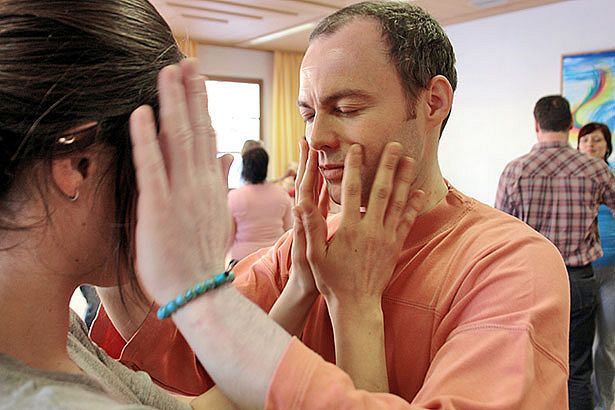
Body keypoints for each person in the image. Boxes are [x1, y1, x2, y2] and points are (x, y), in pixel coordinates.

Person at [93, 2, 571, 408]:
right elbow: (181, 357)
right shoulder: (305, 247)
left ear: (432, 103)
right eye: (308, 113)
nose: (317, 138)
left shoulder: (509, 266)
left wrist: (354, 305)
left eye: (346, 109)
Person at [495, 97, 615, 410]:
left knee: (530, 363)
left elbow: (500, 231)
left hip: (531, 279)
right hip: (578, 279)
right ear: (569, 125)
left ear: (537, 125)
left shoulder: (515, 170)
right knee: (577, 370)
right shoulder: (595, 168)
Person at [577, 122, 614, 410]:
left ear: (607, 146)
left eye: (598, 140)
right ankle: (583, 400)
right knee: (580, 344)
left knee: (608, 343)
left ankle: (606, 403)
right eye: (586, 139)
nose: (591, 145)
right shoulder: (570, 178)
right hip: (580, 270)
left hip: (612, 271)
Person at [227, 147, 292, 260]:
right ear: (266, 167)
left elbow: (229, 236)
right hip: (273, 260)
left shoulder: (234, 197)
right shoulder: (281, 194)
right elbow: (289, 230)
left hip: (242, 261)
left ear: (244, 168)